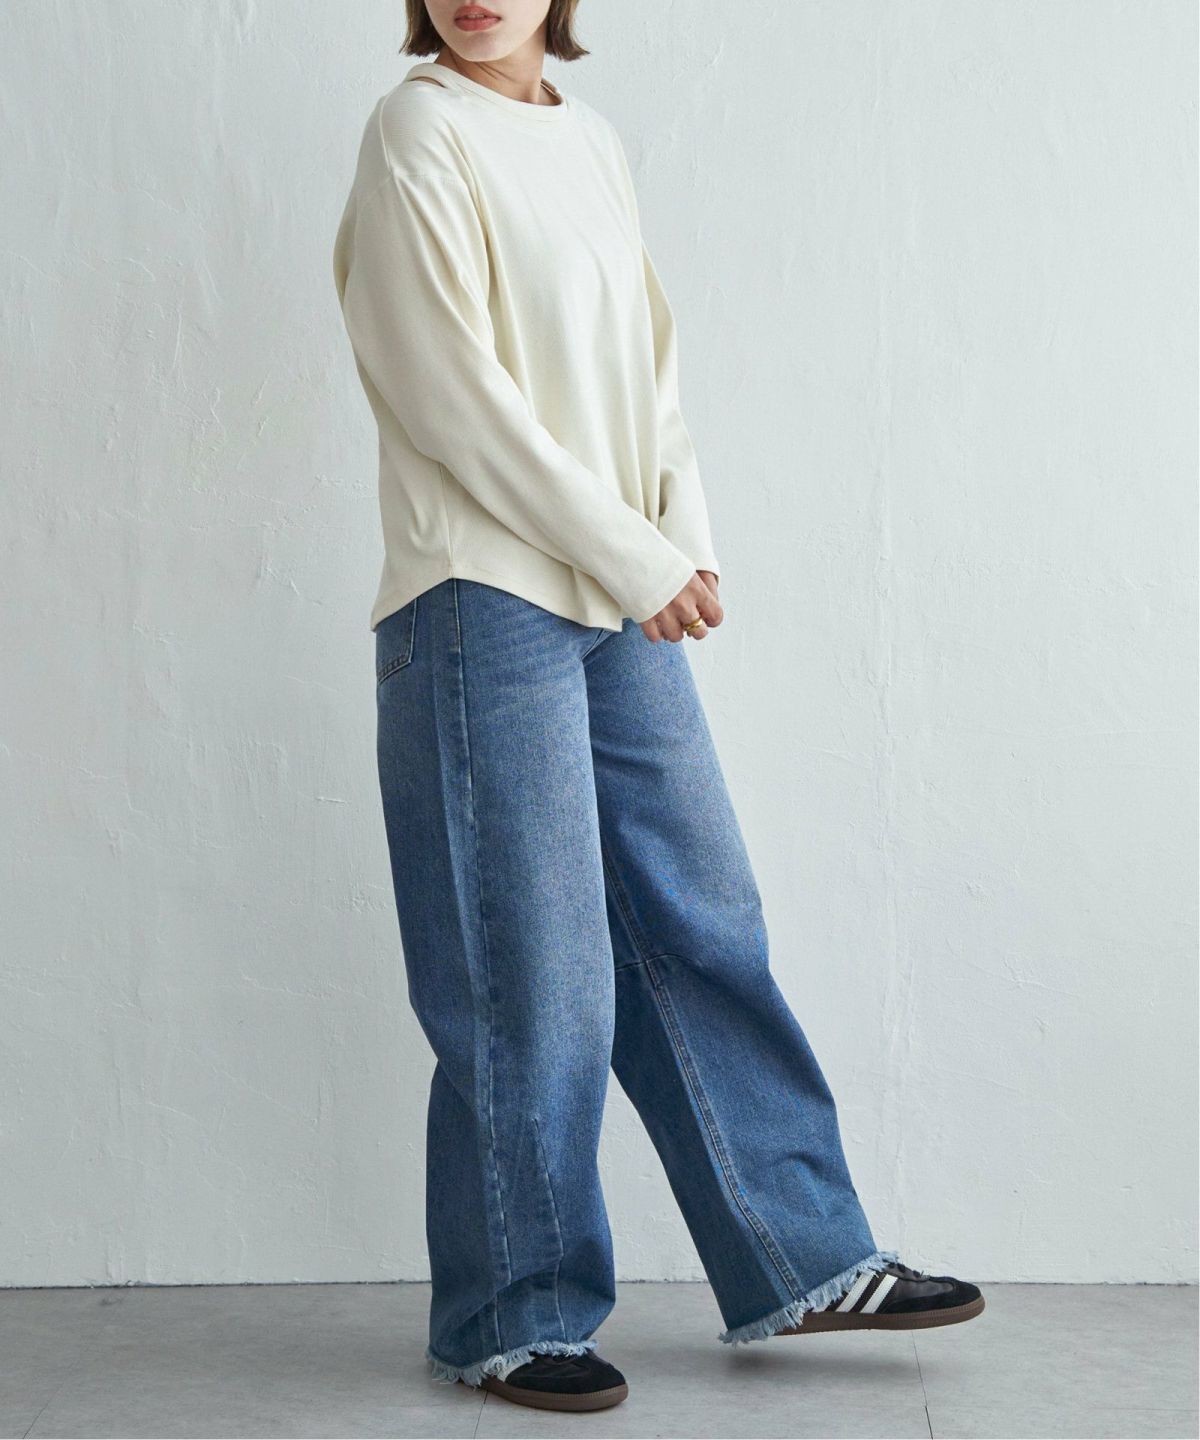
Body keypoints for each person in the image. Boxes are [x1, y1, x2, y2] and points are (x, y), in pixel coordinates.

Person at [331, 0, 984, 1414]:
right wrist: (636, 557)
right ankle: (513, 1314)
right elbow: (452, 399)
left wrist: (681, 538)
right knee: (533, 972)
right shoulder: (417, 134)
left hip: (617, 582)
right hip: (480, 591)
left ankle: (803, 1257)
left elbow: (648, 370)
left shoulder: (593, 143)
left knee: (701, 918)